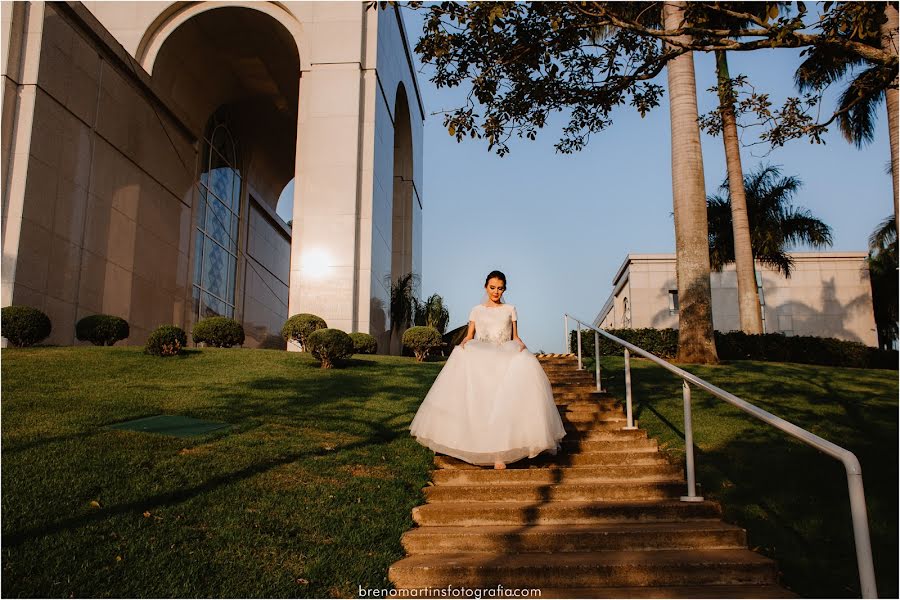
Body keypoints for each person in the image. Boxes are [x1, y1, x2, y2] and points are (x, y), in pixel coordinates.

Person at [408, 270, 566, 470]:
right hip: (481, 355)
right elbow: (470, 335)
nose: (496, 291)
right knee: (478, 401)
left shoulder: (510, 309)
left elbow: (514, 336)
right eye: (492, 287)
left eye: (500, 288)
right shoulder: (476, 310)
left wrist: (521, 347)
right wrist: (463, 345)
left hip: (503, 354)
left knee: (502, 404)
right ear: (485, 287)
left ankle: (500, 453)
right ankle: (462, 445)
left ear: (504, 289)